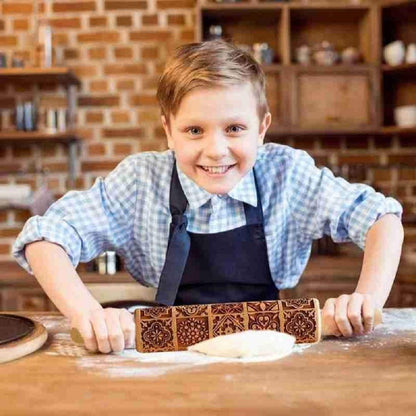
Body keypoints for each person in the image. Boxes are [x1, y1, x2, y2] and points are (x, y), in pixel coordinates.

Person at [13, 40, 404, 354]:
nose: (216, 151)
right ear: (168, 131)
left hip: (268, 350)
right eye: (194, 130)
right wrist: (88, 314)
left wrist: (365, 299)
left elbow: (381, 218)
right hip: (170, 355)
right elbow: (44, 237)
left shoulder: (288, 174)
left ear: (262, 128)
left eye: (234, 128)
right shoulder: (140, 180)